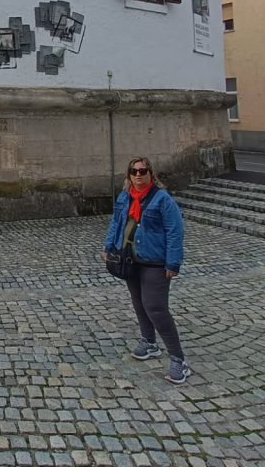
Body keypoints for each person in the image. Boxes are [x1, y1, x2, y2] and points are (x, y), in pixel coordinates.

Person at [102, 156, 190, 384]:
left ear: (151, 174)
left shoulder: (163, 200)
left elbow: (175, 231)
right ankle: (149, 342)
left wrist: (173, 262)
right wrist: (109, 246)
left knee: (156, 308)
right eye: (134, 171)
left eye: (143, 171)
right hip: (130, 259)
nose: (138, 175)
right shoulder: (125, 197)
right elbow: (116, 223)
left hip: (155, 261)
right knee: (139, 303)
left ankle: (178, 359)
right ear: (129, 175)